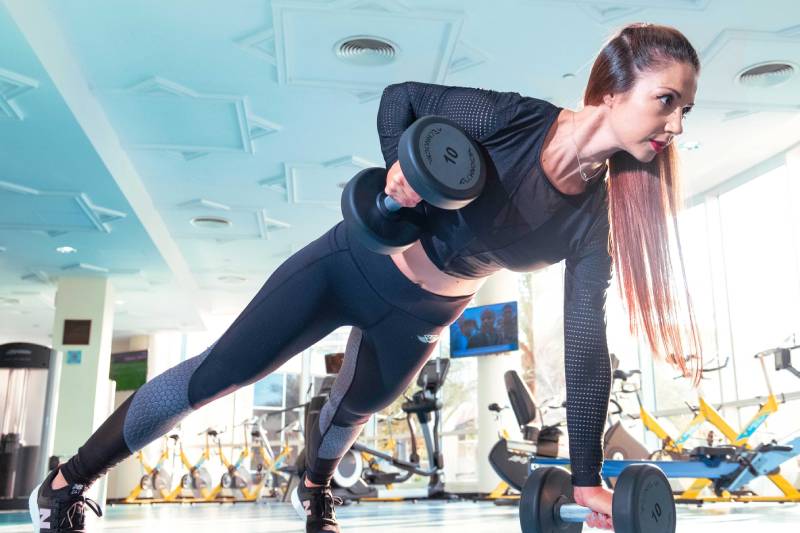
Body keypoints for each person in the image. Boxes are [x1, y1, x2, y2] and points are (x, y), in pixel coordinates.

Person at [30, 22, 702, 533]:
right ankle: (65, 482)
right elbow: (400, 99)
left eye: (684, 111)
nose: (675, 124)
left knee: (355, 409)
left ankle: (315, 489)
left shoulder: (593, 219)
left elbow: (585, 343)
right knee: (219, 374)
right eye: (666, 100)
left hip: (421, 318)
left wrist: (586, 478)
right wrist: (399, 172)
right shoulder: (516, 121)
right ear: (612, 91)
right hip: (350, 264)